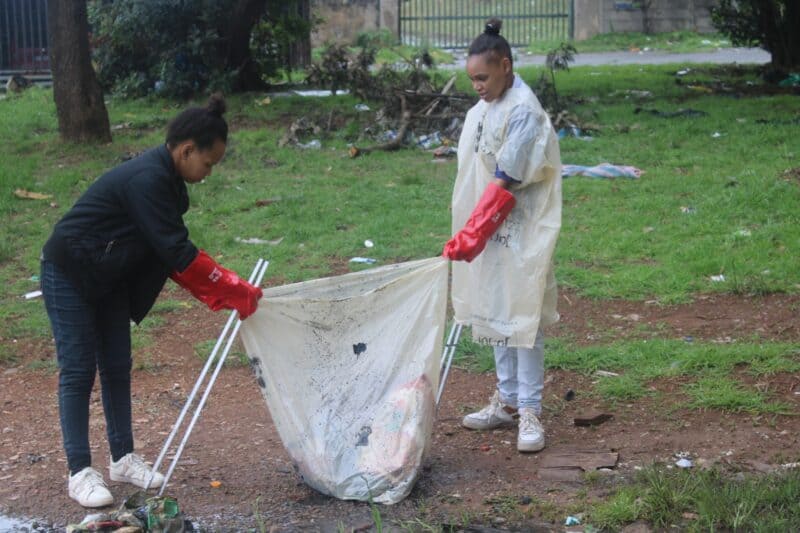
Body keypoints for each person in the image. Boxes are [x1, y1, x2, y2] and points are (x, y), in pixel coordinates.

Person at [41, 94, 263, 507]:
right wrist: (232, 289)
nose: (209, 173)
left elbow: (171, 257)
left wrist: (227, 291)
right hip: (69, 271)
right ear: (186, 150)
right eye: (208, 163)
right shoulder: (147, 180)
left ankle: (123, 458)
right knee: (77, 370)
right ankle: (79, 473)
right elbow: (179, 254)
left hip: (108, 274)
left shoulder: (167, 182)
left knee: (117, 367)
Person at [443, 19, 562, 453]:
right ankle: (507, 399)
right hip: (487, 223)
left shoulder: (523, 110)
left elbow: (508, 176)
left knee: (522, 312)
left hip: (520, 224)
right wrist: (473, 227)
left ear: (506, 67)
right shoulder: (483, 107)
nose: (476, 85)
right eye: (472, 77)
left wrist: (475, 230)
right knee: (494, 303)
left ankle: (530, 407)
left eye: (483, 77)